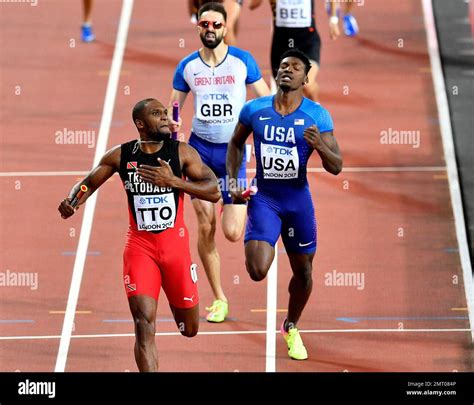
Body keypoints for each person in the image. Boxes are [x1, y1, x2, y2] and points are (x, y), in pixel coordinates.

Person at [58, 98, 220, 371]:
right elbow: (86, 183)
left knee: (189, 328)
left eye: (166, 113)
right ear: (140, 124)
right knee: (143, 324)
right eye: (157, 114)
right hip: (140, 248)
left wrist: (174, 182)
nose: (166, 118)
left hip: (175, 250)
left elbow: (213, 190)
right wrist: (73, 200)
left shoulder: (182, 152)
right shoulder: (121, 155)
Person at [226, 49, 342, 360]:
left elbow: (336, 166)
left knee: (303, 273)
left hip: (297, 202)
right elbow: (236, 143)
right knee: (257, 270)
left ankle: (291, 326)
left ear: (306, 78)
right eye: (282, 66)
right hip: (265, 198)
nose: (286, 70)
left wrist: (320, 146)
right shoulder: (255, 109)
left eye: (294, 67)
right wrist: (233, 182)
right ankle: (264, 231)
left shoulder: (317, 115)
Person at [170, 2, 270, 323]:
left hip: (233, 155)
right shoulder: (187, 66)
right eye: (204, 25)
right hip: (200, 154)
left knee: (231, 232)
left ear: (226, 28)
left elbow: (265, 100)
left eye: (215, 25)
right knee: (205, 226)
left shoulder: (243, 62)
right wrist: (173, 127)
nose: (209, 30)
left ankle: (245, 201)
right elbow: (174, 106)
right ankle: (220, 298)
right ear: (197, 27)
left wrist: (267, 133)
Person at [249, 0, 340, 101]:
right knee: (285, 94)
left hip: (307, 42)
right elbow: (252, 5)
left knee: (307, 84)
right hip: (281, 45)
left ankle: (316, 110)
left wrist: (333, 20)